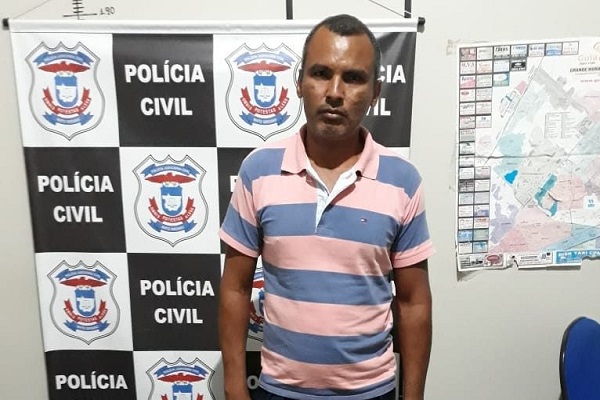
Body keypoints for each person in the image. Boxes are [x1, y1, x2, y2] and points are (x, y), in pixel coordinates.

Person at [219, 14, 434, 400]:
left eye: (353, 78)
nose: (334, 92)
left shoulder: (402, 181)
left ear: (375, 91)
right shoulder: (258, 171)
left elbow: (413, 302)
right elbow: (235, 288)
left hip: (371, 392)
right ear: (300, 82)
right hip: (279, 391)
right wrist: (235, 388)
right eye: (320, 73)